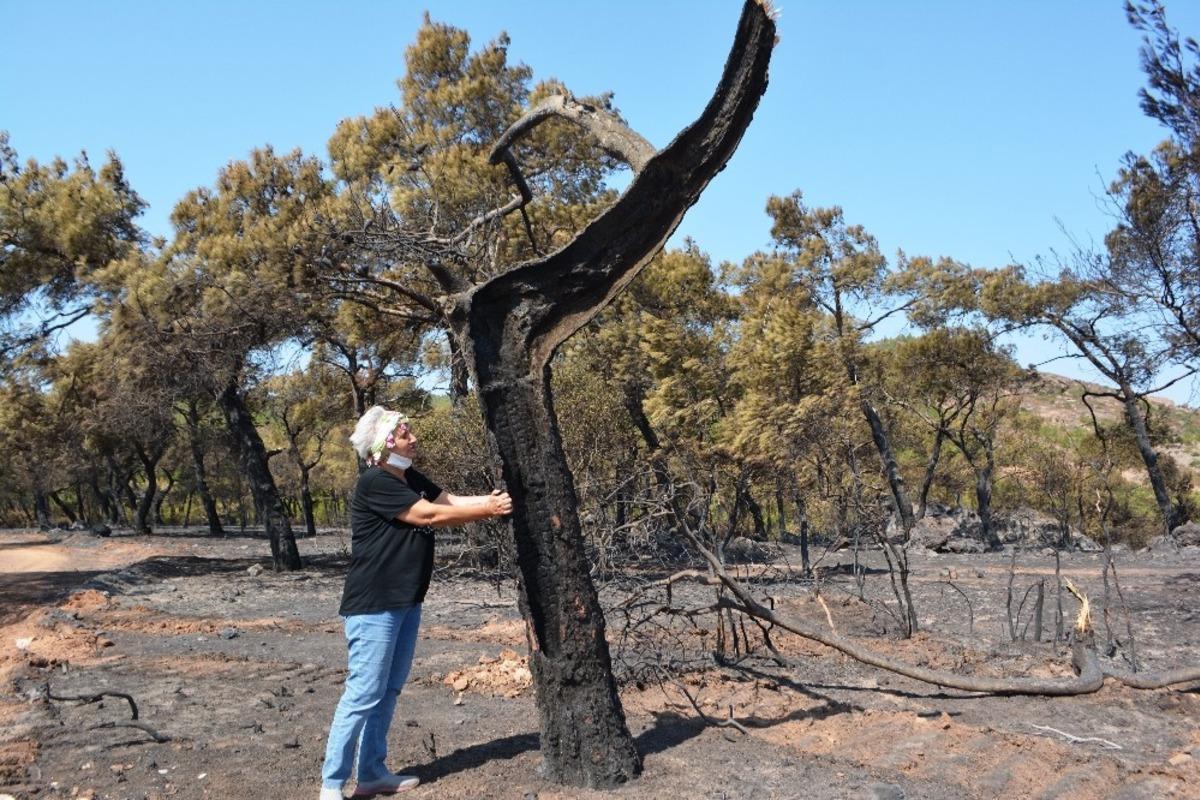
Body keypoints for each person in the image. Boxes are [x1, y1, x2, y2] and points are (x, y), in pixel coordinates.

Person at [320, 406, 513, 799]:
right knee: (362, 693)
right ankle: (332, 785)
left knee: (387, 690)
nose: (414, 438)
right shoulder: (375, 481)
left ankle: (371, 773)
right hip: (375, 603)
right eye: (406, 433)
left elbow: (451, 500)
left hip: (406, 600)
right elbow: (427, 516)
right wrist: (488, 511)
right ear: (386, 443)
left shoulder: (408, 477)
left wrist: (492, 499)